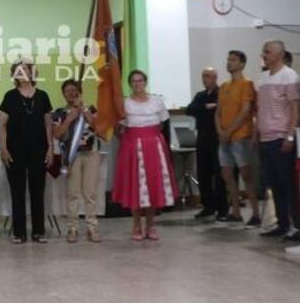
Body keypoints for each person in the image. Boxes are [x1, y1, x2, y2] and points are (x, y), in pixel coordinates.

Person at [112, 69, 178, 241]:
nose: (137, 83)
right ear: (130, 84)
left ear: (145, 82)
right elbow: (118, 129)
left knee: (152, 184)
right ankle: (136, 224)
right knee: (135, 185)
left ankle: (151, 224)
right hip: (132, 147)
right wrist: (131, 140)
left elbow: (162, 125)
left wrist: (150, 138)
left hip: (154, 148)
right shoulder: (125, 103)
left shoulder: (157, 101)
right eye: (134, 81)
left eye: (140, 80)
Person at [0, 60, 54, 243]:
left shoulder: (43, 96)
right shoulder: (10, 96)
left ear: (32, 73)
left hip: (39, 150)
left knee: (38, 191)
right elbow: (2, 125)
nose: (22, 73)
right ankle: (19, 232)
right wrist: (3, 148)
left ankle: (38, 231)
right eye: (18, 70)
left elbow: (48, 125)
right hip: (15, 150)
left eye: (25, 70)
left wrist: (50, 148)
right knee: (17, 191)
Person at [255, 40, 300, 241]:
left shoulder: (290, 76)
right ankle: (282, 224)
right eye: (263, 51)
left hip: (281, 138)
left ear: (280, 54)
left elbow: (295, 110)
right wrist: (256, 134)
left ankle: (298, 226)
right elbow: (260, 109)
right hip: (265, 138)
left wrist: (290, 136)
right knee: (274, 185)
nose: (264, 55)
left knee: (288, 184)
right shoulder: (263, 78)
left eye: (268, 52)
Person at [52, 79, 103, 243]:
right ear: (63, 94)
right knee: (72, 194)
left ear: (79, 92)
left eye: (74, 90)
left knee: (90, 193)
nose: (71, 93)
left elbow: (98, 128)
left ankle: (91, 227)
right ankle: (72, 228)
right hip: (71, 156)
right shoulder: (59, 113)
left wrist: (84, 110)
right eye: (67, 91)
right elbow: (57, 134)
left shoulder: (90, 109)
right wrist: (69, 118)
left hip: (91, 153)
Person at [215, 51, 260, 227]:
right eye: (228, 59)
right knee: (227, 174)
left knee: (246, 175)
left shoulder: (246, 84)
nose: (229, 62)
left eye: (233, 60)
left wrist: (230, 131)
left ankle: (255, 214)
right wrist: (221, 132)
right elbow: (218, 112)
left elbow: (245, 111)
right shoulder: (224, 86)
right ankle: (235, 212)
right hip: (225, 138)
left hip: (241, 136)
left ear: (242, 64)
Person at [185, 68, 228, 222]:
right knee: (203, 173)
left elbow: (222, 111)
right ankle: (208, 206)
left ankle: (222, 209)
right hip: (202, 138)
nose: (205, 79)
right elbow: (189, 110)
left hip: (217, 138)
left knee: (219, 174)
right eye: (203, 76)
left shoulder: (221, 93)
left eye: (208, 76)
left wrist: (208, 109)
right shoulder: (200, 95)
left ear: (215, 78)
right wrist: (205, 108)